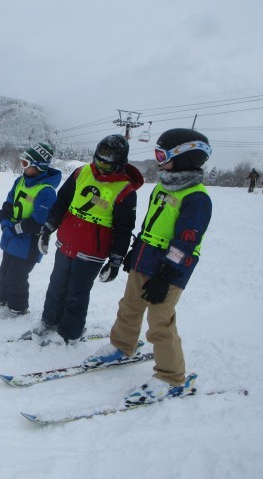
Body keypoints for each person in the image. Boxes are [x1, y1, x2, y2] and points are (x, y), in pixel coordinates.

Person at [85, 128, 213, 405]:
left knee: (159, 321)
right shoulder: (164, 186)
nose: (158, 161)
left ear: (186, 158)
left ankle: (171, 377)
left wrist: (165, 274)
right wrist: (135, 250)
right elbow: (150, 224)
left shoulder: (197, 198)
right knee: (130, 305)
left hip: (171, 269)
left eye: (162, 156)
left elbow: (186, 243)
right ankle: (122, 345)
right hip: (145, 257)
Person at [32, 134, 144, 345]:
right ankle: (49, 320)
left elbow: (123, 229)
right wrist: (47, 229)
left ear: (119, 163)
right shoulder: (82, 172)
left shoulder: (125, 190)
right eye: (99, 161)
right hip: (67, 242)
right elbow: (62, 202)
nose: (101, 167)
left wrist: (116, 260)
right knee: (56, 285)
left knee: (77, 293)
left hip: (92, 251)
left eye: (107, 164)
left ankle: (69, 333)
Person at [0, 142, 61, 317]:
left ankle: (18, 307)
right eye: (22, 161)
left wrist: (14, 229)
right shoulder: (20, 181)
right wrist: (4, 221)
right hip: (12, 238)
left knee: (16, 277)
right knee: (4, 272)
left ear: (39, 166)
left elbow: (37, 221)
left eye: (26, 163)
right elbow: (9, 203)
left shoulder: (46, 191)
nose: (23, 166)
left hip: (29, 243)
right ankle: (2, 299)